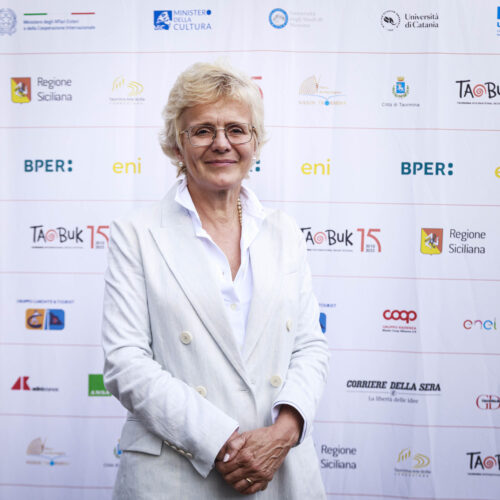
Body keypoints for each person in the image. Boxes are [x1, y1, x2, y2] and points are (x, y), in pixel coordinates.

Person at [102, 60, 329, 499]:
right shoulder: (136, 234)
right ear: (177, 144)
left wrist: (285, 431)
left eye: (236, 130)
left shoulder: (284, 231)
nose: (221, 143)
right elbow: (125, 362)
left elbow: (309, 346)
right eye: (203, 130)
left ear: (255, 142)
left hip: (280, 466)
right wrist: (224, 442)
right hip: (176, 474)